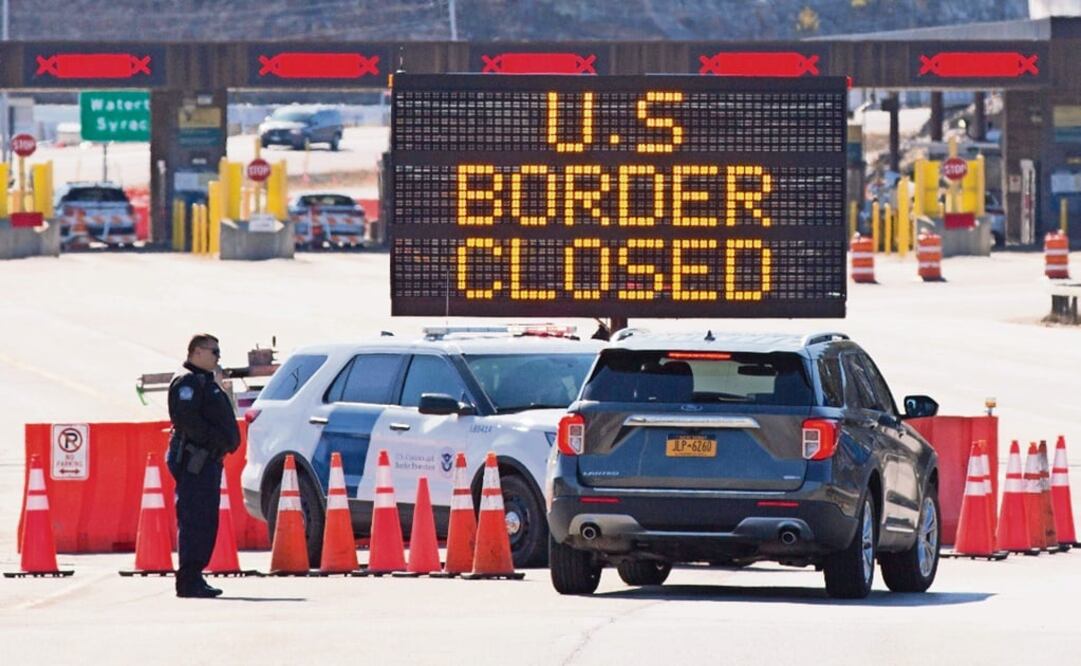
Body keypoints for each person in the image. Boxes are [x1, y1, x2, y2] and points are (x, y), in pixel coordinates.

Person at [166, 333, 241, 598]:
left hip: (207, 460)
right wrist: (216, 442)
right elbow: (188, 421)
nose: (218, 357)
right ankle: (189, 579)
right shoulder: (187, 381)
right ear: (197, 352)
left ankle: (195, 576)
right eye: (214, 352)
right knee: (195, 519)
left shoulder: (203, 380)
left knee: (206, 519)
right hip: (195, 461)